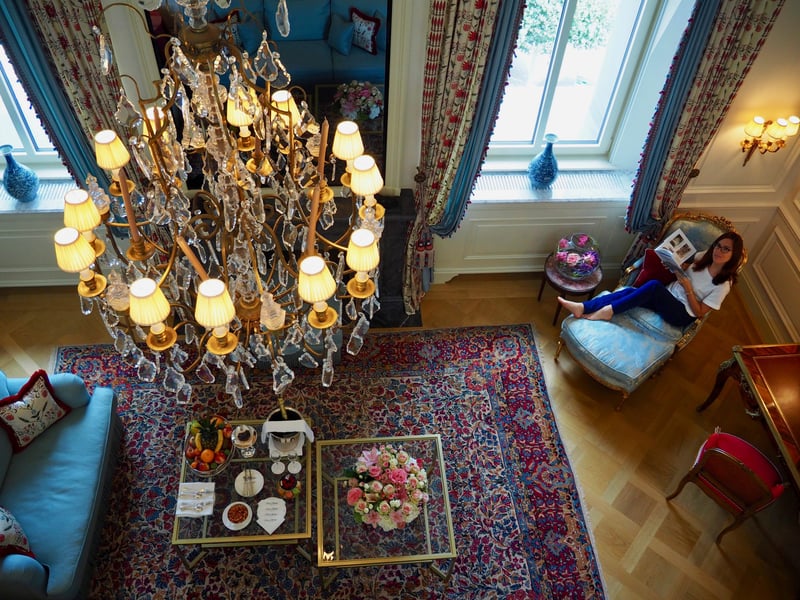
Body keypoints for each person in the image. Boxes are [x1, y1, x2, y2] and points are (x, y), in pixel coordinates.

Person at [557, 231, 745, 327]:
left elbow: (700, 312)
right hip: (668, 295)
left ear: (733, 254)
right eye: (718, 245)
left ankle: (608, 311)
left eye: (726, 249)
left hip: (681, 313)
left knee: (654, 286)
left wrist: (688, 288)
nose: (719, 251)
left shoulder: (723, 285)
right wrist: (675, 265)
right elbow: (686, 267)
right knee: (630, 291)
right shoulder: (704, 258)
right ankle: (583, 307)